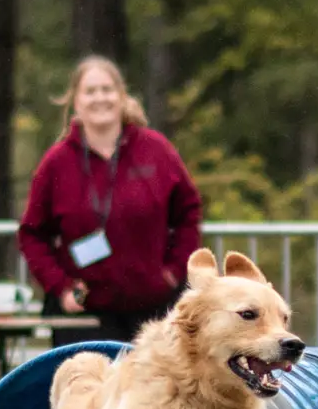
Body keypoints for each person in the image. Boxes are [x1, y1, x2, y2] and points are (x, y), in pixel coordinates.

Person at [18, 55, 204, 344]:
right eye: (90, 91)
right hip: (86, 315)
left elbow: (189, 213)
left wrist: (173, 272)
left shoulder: (156, 151)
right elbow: (32, 234)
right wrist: (62, 287)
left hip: (152, 314)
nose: (99, 98)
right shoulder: (57, 163)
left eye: (107, 90)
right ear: (75, 101)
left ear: (121, 96)